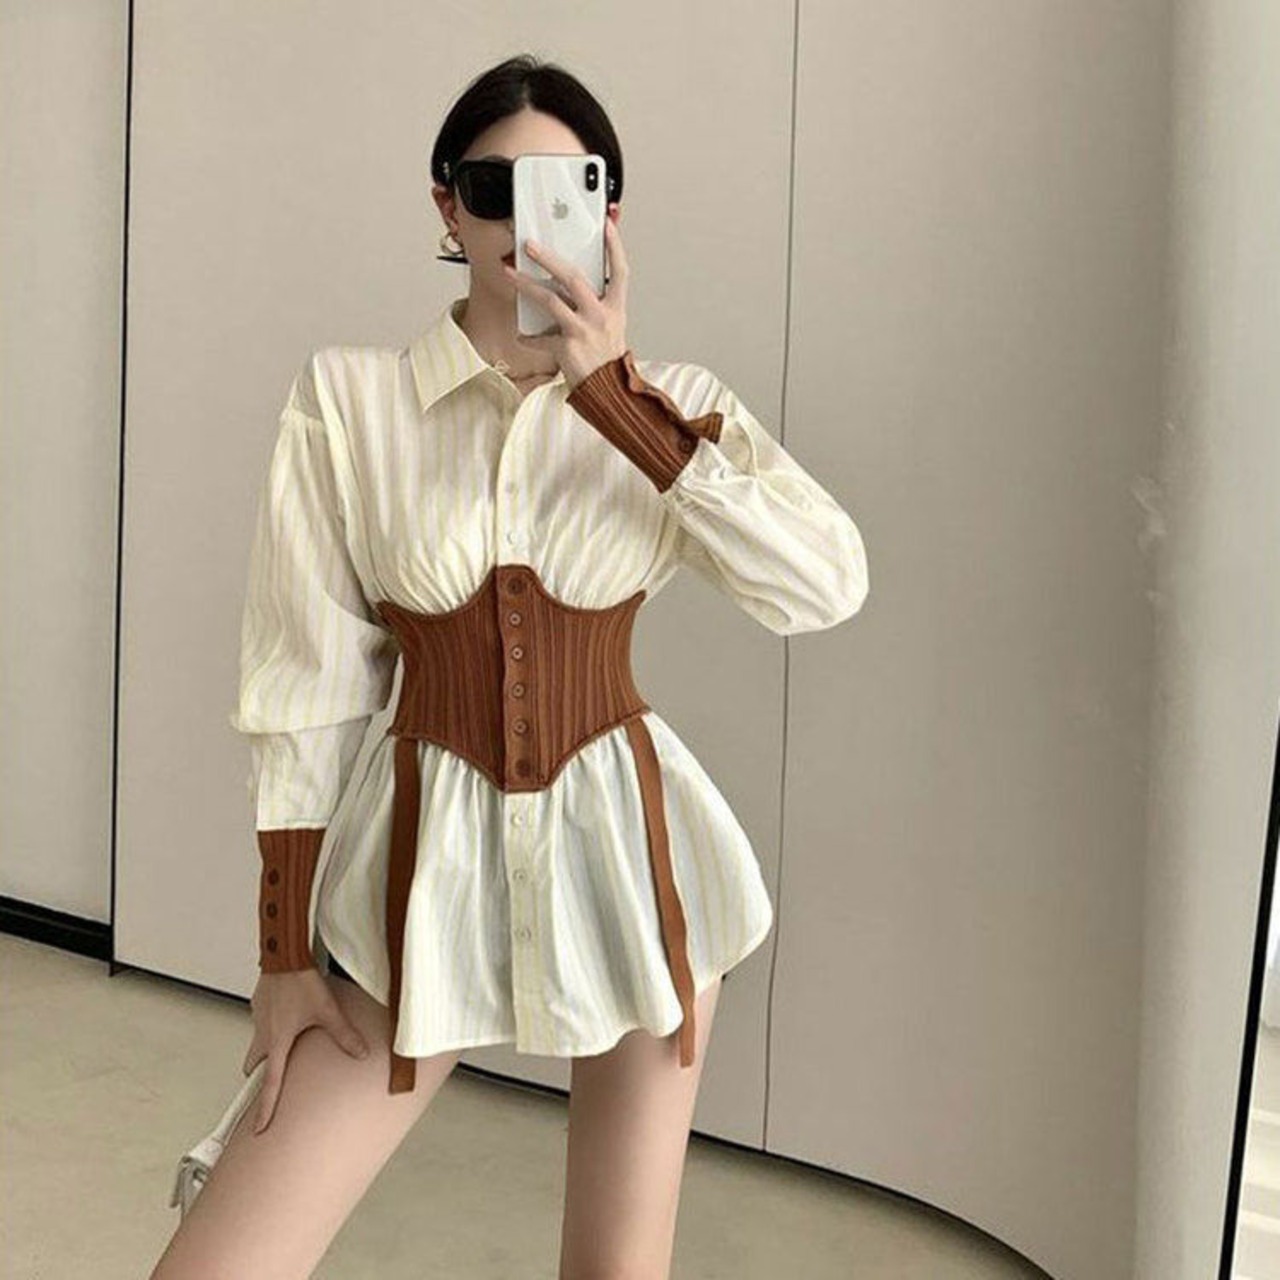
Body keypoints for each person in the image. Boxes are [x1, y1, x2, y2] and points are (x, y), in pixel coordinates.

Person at [151, 52, 868, 1280]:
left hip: (631, 881)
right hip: (408, 891)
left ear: (607, 212)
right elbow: (304, 691)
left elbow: (823, 584)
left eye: (563, 189)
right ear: (446, 206)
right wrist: (280, 957)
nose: (521, 222)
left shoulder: (673, 403)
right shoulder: (350, 403)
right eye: (492, 188)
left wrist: (619, 403)